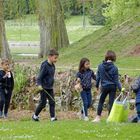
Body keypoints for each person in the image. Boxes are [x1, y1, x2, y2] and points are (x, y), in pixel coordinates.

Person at [93, 50, 122, 122]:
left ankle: (98, 117)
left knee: (101, 101)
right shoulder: (115, 68)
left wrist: (96, 86)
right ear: (114, 58)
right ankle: (109, 118)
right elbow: (116, 80)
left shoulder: (100, 66)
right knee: (111, 102)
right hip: (113, 87)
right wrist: (120, 88)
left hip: (104, 86)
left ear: (106, 57)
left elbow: (98, 78)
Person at [32, 49, 59, 122]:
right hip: (43, 88)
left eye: (57, 58)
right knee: (43, 103)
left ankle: (52, 118)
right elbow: (39, 77)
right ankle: (35, 116)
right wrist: (39, 85)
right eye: (55, 58)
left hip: (50, 87)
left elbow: (51, 76)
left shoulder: (53, 66)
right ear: (50, 57)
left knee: (52, 101)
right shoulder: (45, 65)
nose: (56, 59)